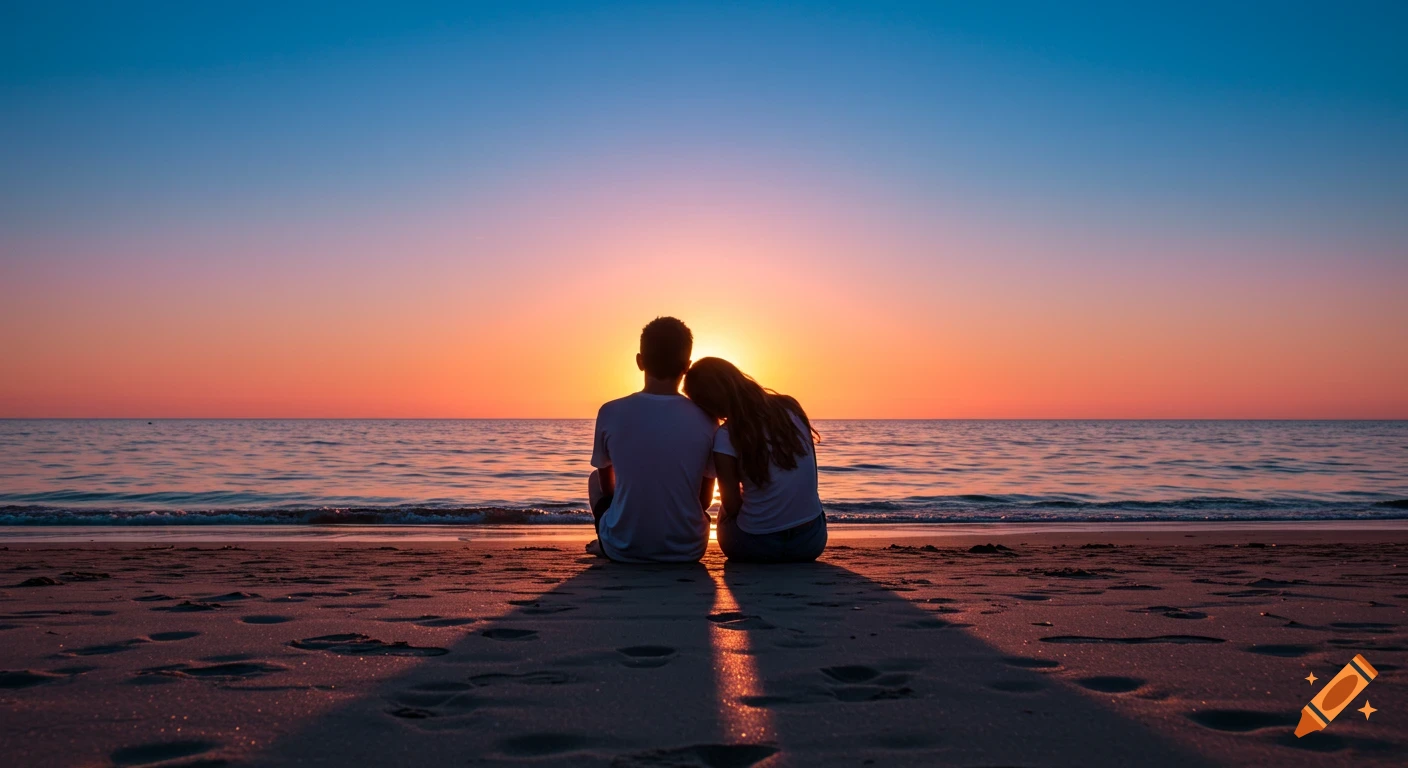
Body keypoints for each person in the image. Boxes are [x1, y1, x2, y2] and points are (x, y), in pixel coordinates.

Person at [587, 317, 717, 562]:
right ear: (687, 366)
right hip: (688, 549)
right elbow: (705, 500)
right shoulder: (707, 418)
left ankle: (610, 539)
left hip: (623, 549)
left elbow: (607, 490)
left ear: (640, 361)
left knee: (595, 478)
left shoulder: (610, 412)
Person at [683, 357, 826, 563]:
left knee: (725, 510)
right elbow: (811, 475)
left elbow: (731, 506)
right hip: (811, 542)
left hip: (755, 547)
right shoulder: (790, 408)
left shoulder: (726, 434)